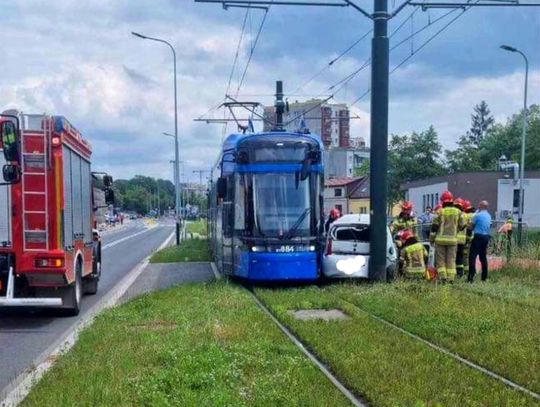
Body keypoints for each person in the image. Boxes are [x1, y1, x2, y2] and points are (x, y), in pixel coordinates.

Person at [430, 191, 464, 282]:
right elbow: (462, 225)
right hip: (453, 241)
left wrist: (431, 240)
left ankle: (443, 277)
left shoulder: (439, 211)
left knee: (440, 260)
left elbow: (434, 228)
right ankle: (451, 278)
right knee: (451, 259)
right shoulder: (458, 212)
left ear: (443, 202)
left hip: (440, 240)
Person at [468, 200, 492, 282]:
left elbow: (470, 227)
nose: (478, 207)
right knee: (483, 257)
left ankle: (471, 277)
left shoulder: (477, 215)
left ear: (482, 206)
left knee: (472, 256)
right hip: (486, 237)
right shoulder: (489, 216)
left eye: (479, 205)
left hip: (478, 236)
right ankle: (484, 277)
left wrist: (468, 223)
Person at [462, 199, 475, 277]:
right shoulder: (475, 215)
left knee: (466, 256)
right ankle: (473, 270)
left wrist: (467, 239)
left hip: (468, 239)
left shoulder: (466, 216)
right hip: (475, 238)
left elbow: (468, 228)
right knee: (473, 255)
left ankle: (467, 271)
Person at [454, 198, 466, 278]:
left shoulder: (455, 214)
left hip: (454, 239)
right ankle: (460, 273)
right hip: (462, 240)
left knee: (453, 257)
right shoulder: (465, 215)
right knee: (460, 257)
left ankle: (454, 272)